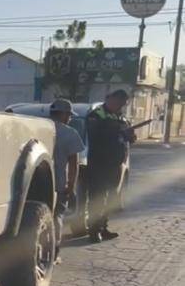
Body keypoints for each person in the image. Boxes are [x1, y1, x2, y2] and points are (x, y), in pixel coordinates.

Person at [85, 89, 135, 243]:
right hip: (99, 163)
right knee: (97, 198)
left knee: (109, 198)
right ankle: (94, 231)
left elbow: (129, 137)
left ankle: (103, 227)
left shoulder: (120, 116)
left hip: (115, 164)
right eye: (119, 102)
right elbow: (95, 134)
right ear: (111, 99)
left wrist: (129, 135)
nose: (120, 106)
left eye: (123, 104)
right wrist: (117, 132)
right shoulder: (97, 114)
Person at [49, 99, 85, 262]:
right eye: (69, 115)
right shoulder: (70, 133)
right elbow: (73, 163)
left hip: (36, 185)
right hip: (58, 185)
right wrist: (71, 185)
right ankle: (53, 253)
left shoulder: (38, 129)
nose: (69, 118)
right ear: (64, 115)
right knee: (56, 217)